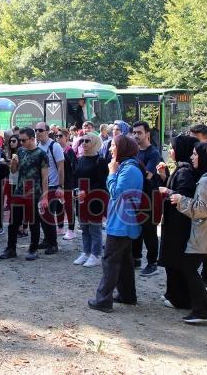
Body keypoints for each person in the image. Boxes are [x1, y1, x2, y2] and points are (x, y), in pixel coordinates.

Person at [169, 142, 207, 323]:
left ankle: (203, 311)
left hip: (205, 232)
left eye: (196, 154)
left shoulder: (206, 181)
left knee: (188, 268)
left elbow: (202, 210)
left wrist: (181, 200)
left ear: (204, 157)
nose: (192, 157)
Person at [87, 135, 143, 313]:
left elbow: (116, 192)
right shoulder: (127, 167)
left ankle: (103, 300)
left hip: (121, 222)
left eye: (113, 146)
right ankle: (127, 295)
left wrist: (111, 173)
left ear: (123, 148)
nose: (110, 149)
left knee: (110, 260)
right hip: (122, 221)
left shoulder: (129, 170)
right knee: (125, 261)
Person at [157, 135, 199, 311]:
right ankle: (172, 293)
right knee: (172, 260)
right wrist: (164, 176)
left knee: (175, 260)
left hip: (179, 224)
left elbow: (182, 196)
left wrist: (166, 191)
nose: (170, 151)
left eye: (173, 148)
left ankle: (179, 298)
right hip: (174, 222)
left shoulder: (185, 171)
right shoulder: (181, 169)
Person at [0, 128, 49, 261]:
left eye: (23, 140)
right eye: (20, 140)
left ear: (32, 139)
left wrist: (45, 196)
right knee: (13, 223)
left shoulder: (41, 154)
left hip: (34, 193)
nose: (21, 142)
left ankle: (33, 249)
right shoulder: (20, 151)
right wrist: (13, 163)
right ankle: (11, 249)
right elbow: (14, 171)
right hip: (19, 192)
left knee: (33, 223)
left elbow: (45, 177)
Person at [131, 120, 164, 276]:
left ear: (147, 134)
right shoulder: (134, 151)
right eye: (134, 132)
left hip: (149, 196)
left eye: (139, 133)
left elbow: (147, 175)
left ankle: (152, 263)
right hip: (135, 195)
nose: (136, 135)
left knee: (149, 231)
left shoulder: (153, 153)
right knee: (136, 228)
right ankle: (136, 257)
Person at [72, 133, 108, 268]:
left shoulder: (101, 160)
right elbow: (76, 177)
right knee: (84, 227)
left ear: (94, 143)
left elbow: (102, 182)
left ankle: (96, 254)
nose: (84, 143)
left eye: (87, 141)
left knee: (95, 228)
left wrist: (86, 192)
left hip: (95, 199)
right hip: (81, 199)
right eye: (82, 141)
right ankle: (86, 252)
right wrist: (75, 190)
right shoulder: (81, 159)